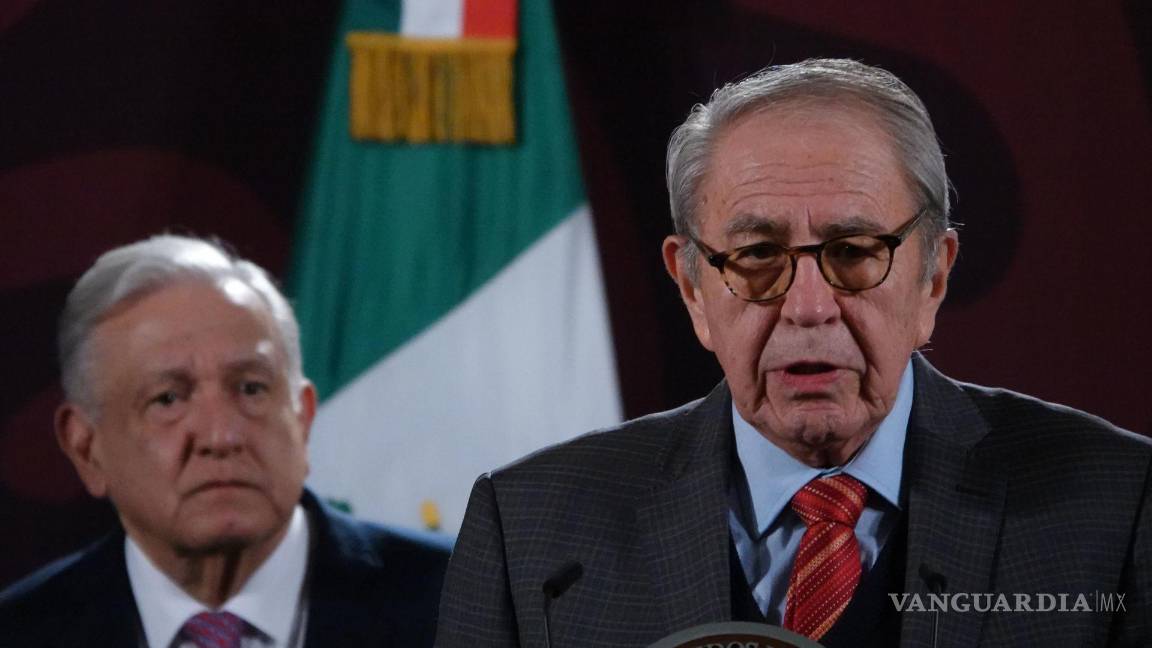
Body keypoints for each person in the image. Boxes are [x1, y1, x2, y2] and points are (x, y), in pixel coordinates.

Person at [436, 59, 1151, 647]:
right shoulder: (527, 529)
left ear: (934, 275)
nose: (808, 308)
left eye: (853, 251)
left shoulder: (1116, 507)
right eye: (756, 256)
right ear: (691, 287)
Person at [0, 235, 451, 647]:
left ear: (303, 417)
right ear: (86, 449)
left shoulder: (470, 605)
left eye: (252, 389)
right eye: (168, 399)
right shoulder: (23, 633)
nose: (222, 436)